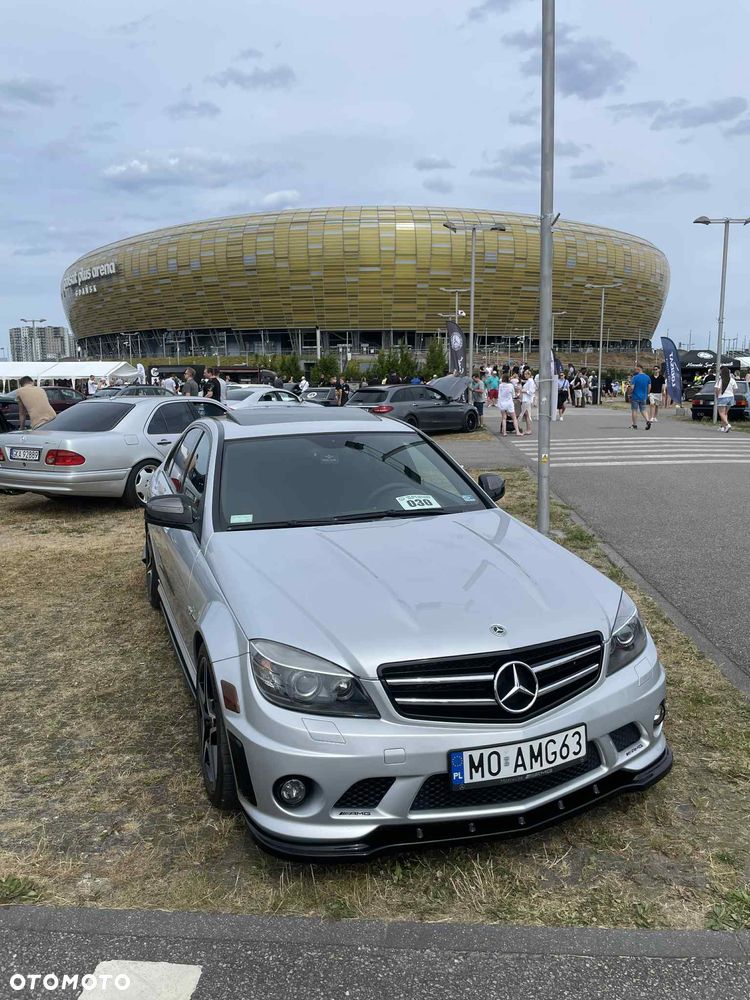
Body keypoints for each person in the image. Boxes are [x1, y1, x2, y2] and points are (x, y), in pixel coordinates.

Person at [716, 364, 738, 432]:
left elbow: (717, 389)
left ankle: (727, 425)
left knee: (721, 413)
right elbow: (735, 389)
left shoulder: (721, 379)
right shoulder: (732, 380)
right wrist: (733, 394)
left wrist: (717, 395)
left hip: (722, 397)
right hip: (731, 397)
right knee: (725, 413)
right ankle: (723, 427)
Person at [629, 364, 651, 430]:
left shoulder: (635, 377)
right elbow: (649, 387)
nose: (635, 370)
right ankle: (647, 420)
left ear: (639, 369)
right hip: (643, 396)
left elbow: (632, 387)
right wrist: (647, 393)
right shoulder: (647, 377)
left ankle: (634, 425)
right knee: (643, 410)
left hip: (635, 396)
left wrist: (629, 394)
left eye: (636, 369)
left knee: (634, 410)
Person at [520, 370, 536, 434]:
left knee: (527, 414)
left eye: (526, 374)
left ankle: (529, 429)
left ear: (529, 375)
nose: (525, 375)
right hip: (525, 399)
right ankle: (528, 429)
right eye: (524, 374)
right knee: (526, 414)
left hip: (527, 400)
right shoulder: (529, 381)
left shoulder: (531, 381)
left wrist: (523, 391)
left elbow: (531, 391)